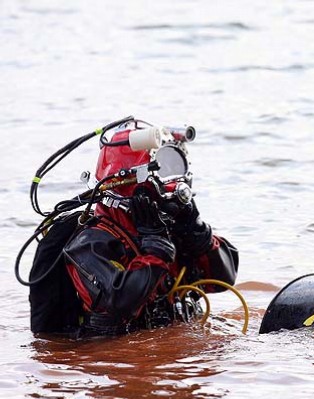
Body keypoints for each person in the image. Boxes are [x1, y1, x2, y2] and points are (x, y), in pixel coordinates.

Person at [29, 123, 239, 337]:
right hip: (115, 357)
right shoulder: (89, 244)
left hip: (173, 344)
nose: (172, 185)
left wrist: (197, 232)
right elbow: (119, 302)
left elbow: (224, 280)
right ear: (130, 181)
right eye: (162, 172)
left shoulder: (170, 226)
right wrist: (155, 249)